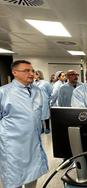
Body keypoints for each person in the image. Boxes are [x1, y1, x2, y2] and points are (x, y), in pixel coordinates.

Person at [0, 60, 48, 188]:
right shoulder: (4, 92)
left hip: (33, 142)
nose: (31, 73)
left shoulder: (37, 91)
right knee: (13, 178)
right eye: (26, 71)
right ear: (14, 72)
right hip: (13, 145)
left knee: (32, 175)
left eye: (32, 70)